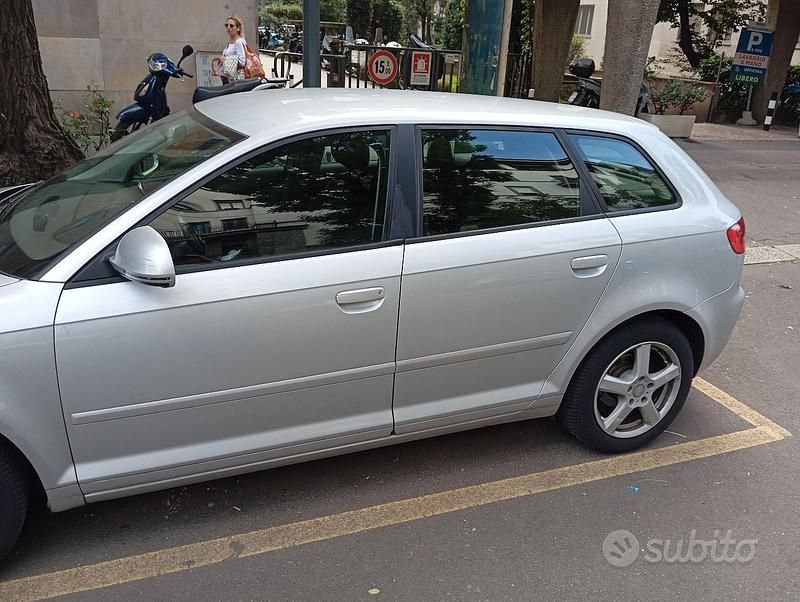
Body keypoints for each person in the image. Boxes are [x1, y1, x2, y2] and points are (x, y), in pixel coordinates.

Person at [221, 14, 247, 84]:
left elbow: (242, 62)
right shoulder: (231, 41)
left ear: (238, 28)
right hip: (229, 78)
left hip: (235, 80)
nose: (228, 27)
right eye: (226, 25)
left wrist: (226, 61)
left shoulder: (238, 42)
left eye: (231, 26)